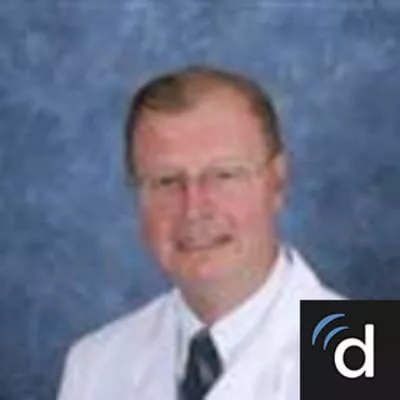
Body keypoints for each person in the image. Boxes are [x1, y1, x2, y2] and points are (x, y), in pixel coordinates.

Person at [57, 65, 342, 400]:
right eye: (166, 181)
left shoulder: (363, 357)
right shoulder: (95, 366)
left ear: (277, 182)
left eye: (224, 175)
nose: (194, 209)